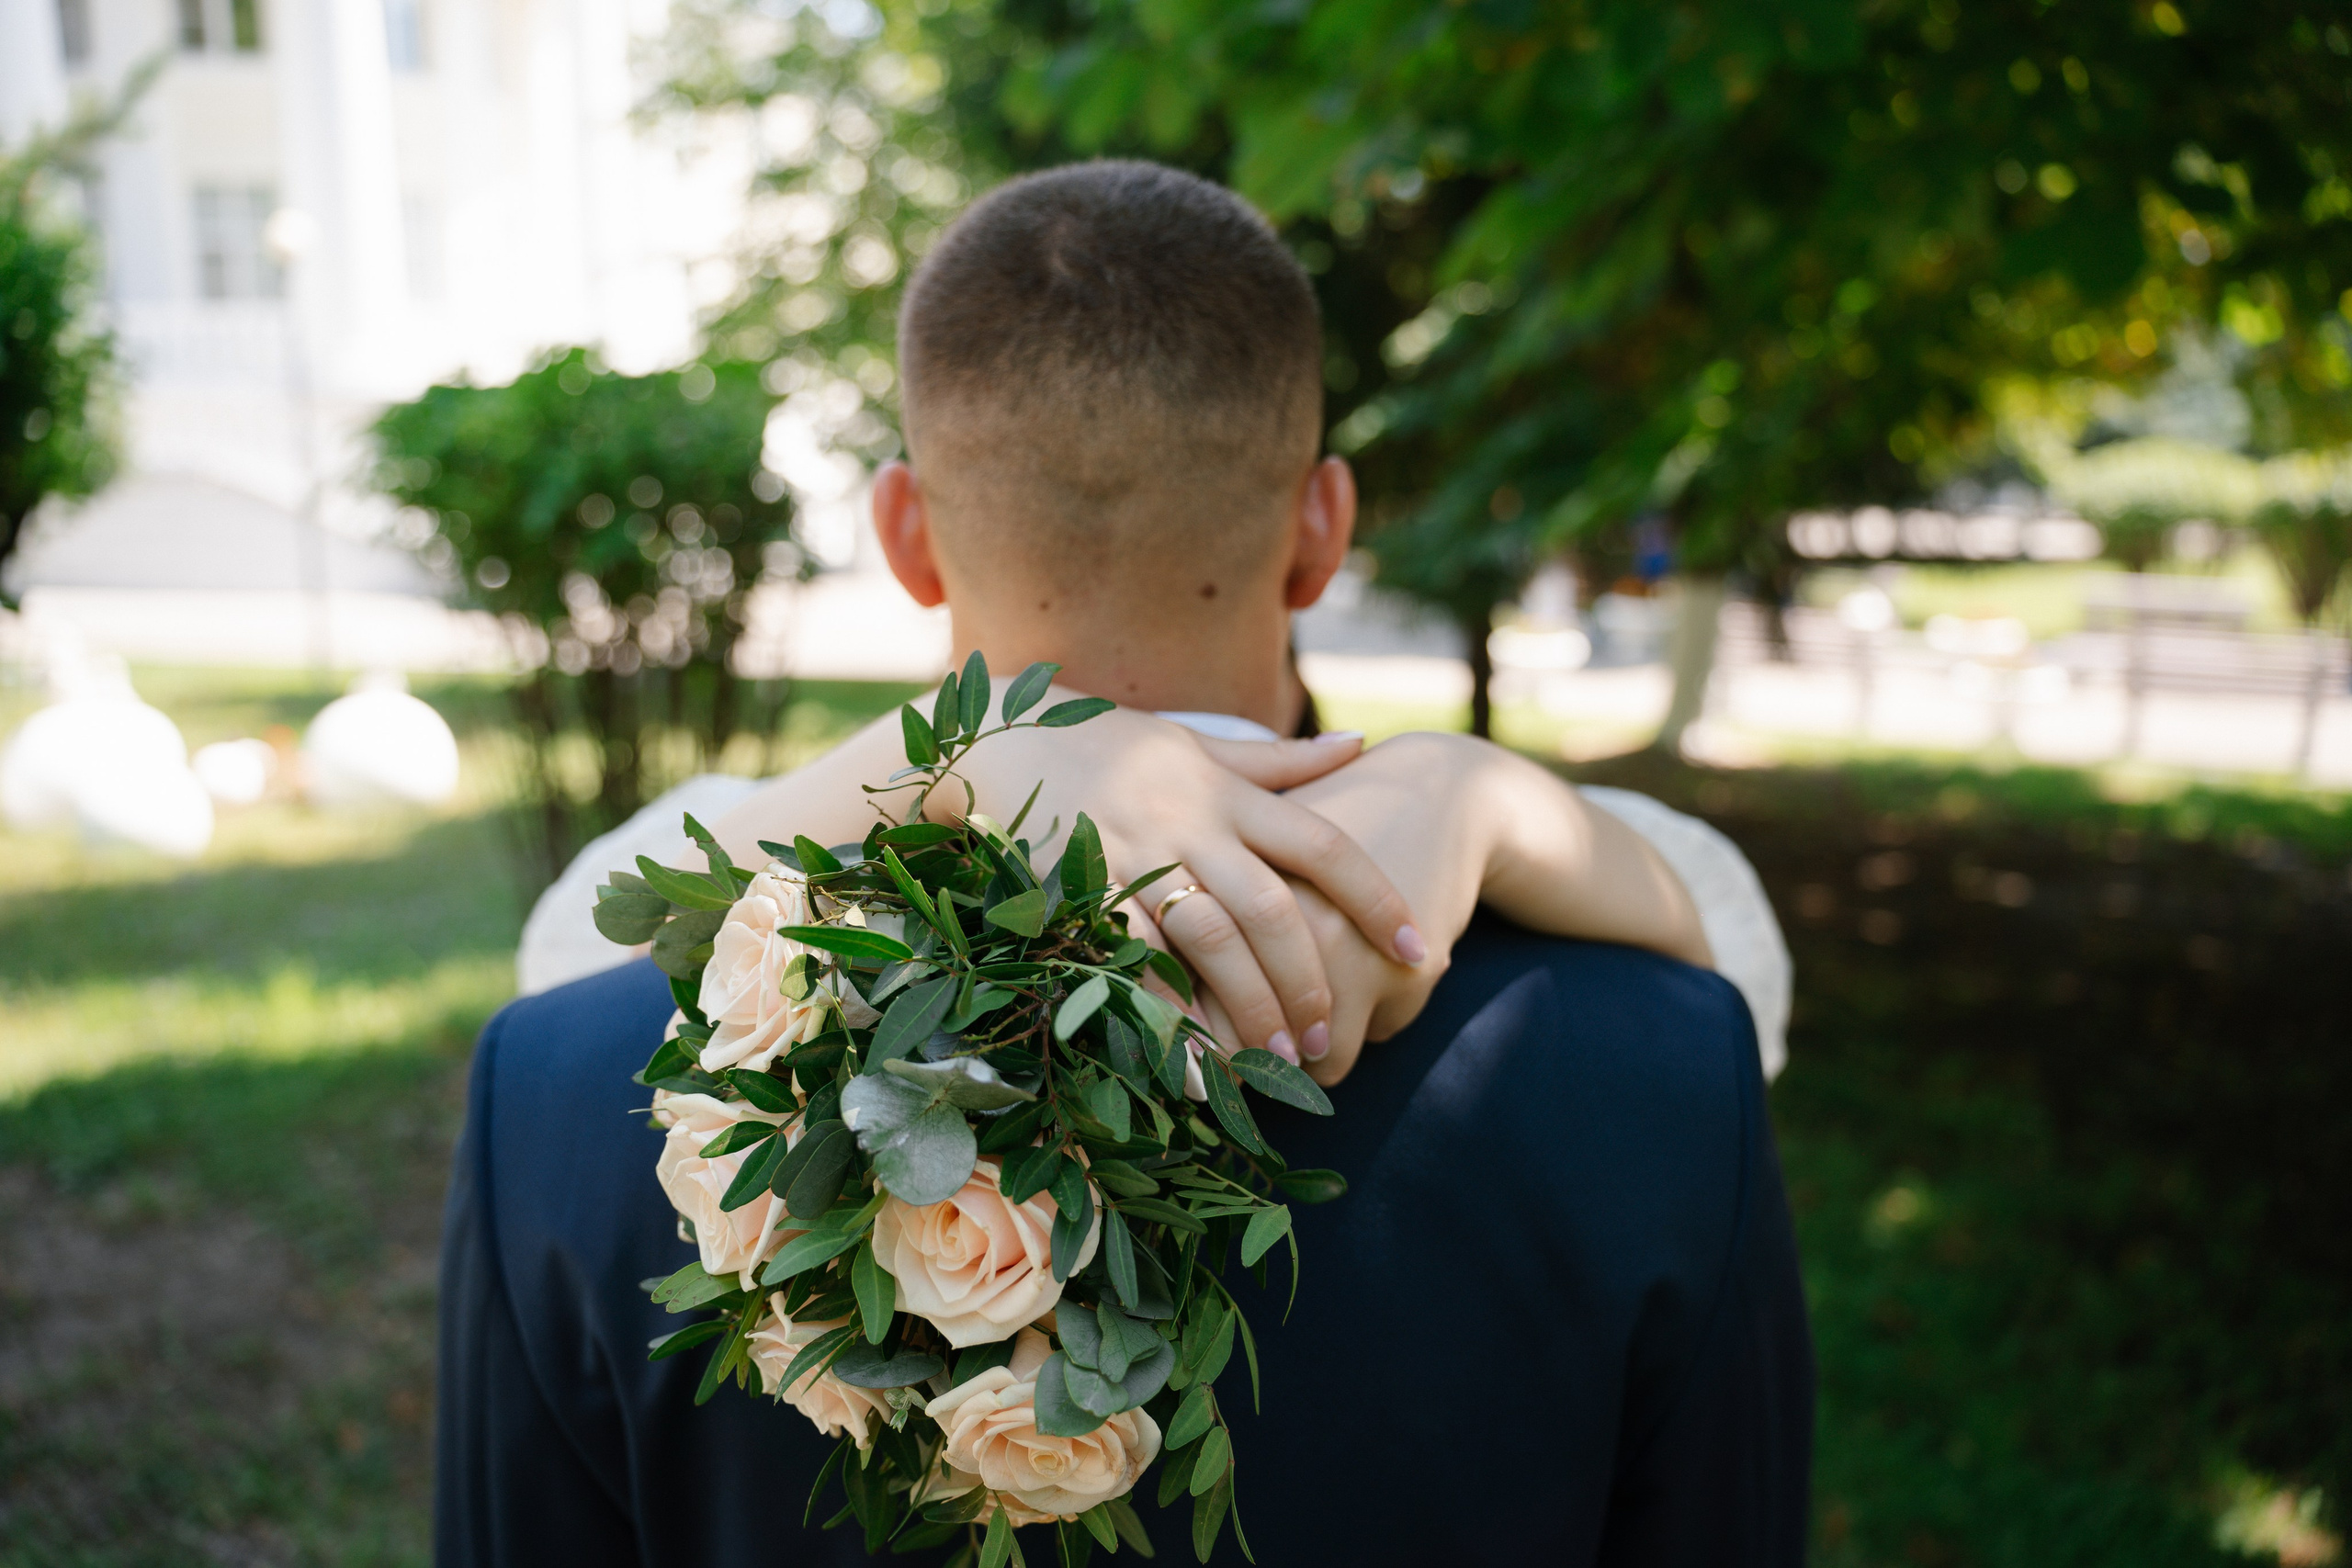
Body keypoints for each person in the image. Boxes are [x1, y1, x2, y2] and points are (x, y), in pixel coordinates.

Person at [436, 161, 1811, 1565]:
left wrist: (934, 756)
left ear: (906, 535)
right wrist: (1477, 787)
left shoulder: (565, 1079)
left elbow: (584, 943)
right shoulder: (1668, 1052)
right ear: (1324, 527)